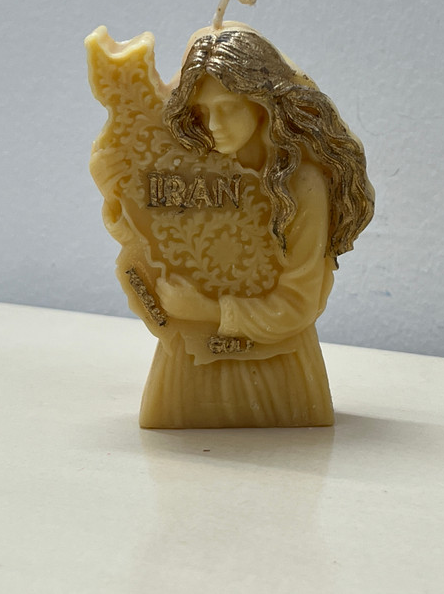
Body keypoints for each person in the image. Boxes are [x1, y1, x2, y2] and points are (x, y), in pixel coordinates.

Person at [138, 27, 374, 428]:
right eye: (203, 112)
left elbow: (298, 305)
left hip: (282, 373)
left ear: (263, 102)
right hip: (187, 365)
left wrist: (205, 310)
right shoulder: (194, 175)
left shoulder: (302, 187)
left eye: (228, 108)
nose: (214, 125)